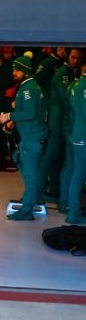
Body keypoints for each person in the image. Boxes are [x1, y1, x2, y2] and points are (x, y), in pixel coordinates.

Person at [0, 52, 48, 221]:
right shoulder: (32, 87)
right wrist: (13, 123)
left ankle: (27, 210)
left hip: (32, 138)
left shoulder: (27, 89)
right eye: (14, 69)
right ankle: (34, 197)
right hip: (31, 135)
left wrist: (9, 117)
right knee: (19, 160)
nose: (14, 72)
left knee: (31, 174)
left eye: (18, 70)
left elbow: (31, 112)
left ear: (26, 72)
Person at [38, 48, 82, 204]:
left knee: (58, 157)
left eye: (78, 58)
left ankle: (55, 190)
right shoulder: (63, 74)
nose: (75, 60)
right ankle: (38, 190)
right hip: (58, 121)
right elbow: (68, 99)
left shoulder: (70, 72)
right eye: (73, 57)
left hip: (63, 120)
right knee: (51, 155)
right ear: (68, 56)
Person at [64, 62, 86, 224]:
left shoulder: (74, 84)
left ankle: (73, 212)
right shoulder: (84, 86)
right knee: (78, 173)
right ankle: (73, 213)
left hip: (75, 134)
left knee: (78, 174)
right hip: (83, 135)